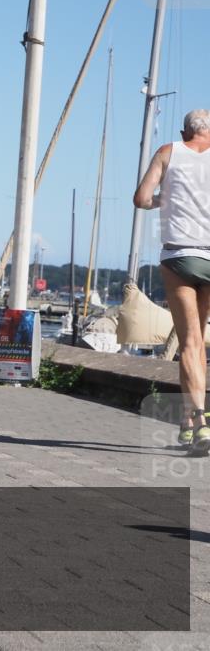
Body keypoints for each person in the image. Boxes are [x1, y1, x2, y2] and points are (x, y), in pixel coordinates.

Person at [133, 108, 210, 454]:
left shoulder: (167, 152)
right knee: (195, 343)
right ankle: (187, 425)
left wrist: (165, 200)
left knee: (189, 343)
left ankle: (202, 423)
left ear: (184, 133)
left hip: (180, 256)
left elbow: (141, 199)